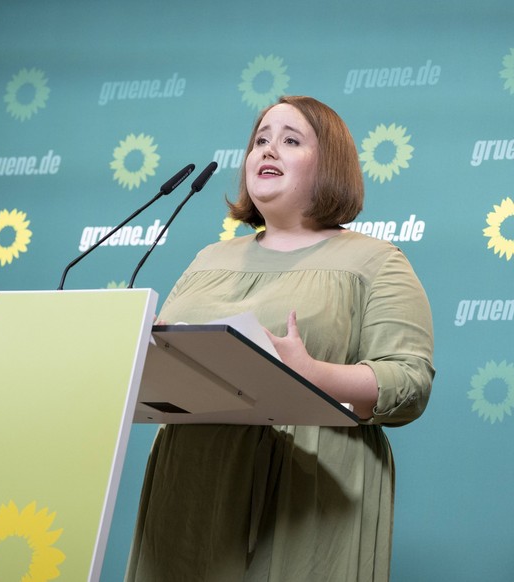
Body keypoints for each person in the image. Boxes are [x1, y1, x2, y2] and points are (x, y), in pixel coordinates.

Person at [125, 96, 435, 581]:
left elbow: (410, 382)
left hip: (308, 487)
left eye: (290, 141)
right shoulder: (209, 259)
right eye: (260, 141)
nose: (268, 151)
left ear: (329, 164)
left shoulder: (375, 261)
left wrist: (313, 374)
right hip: (191, 481)